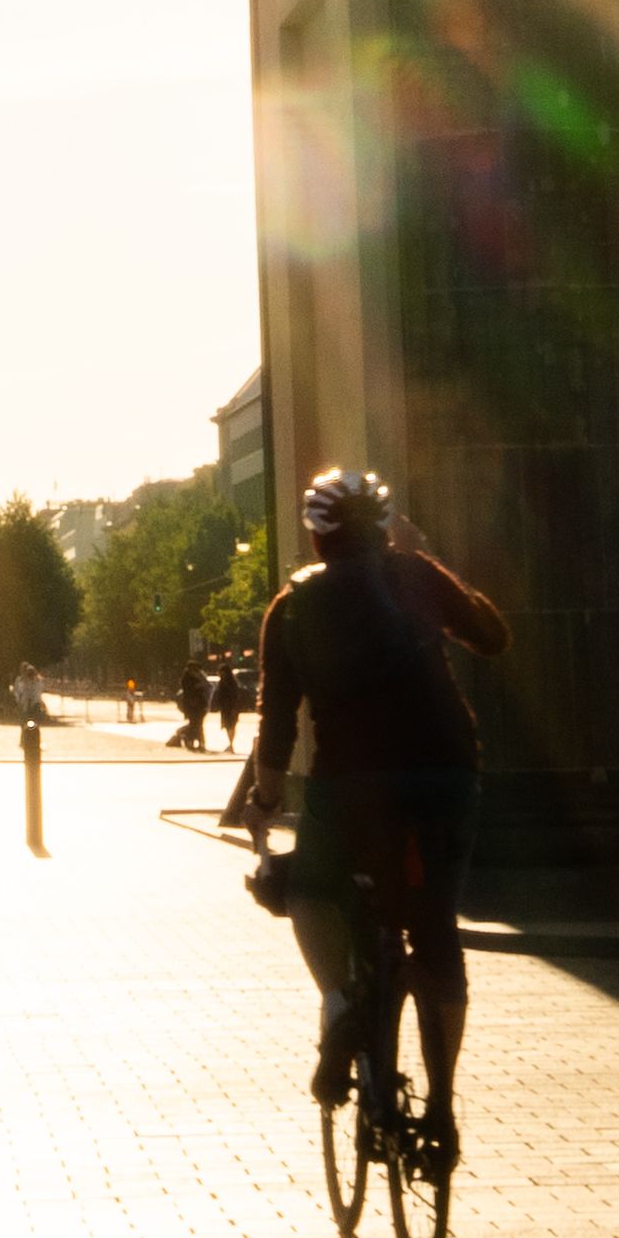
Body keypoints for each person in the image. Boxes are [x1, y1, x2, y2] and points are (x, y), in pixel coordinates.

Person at [226, 468, 507, 1165]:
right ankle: (440, 1115)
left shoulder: (292, 604)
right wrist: (427, 559)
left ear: (318, 533)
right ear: (384, 525)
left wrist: (264, 804)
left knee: (311, 892)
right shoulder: (415, 574)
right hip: (446, 773)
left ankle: (343, 1006)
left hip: (350, 786)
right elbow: (492, 638)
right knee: (436, 932)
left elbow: (278, 722)